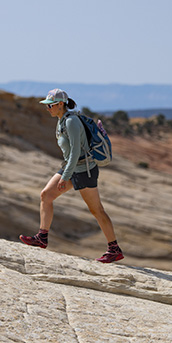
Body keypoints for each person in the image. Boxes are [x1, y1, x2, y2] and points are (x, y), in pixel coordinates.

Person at [19, 88, 124, 263]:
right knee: (46, 195)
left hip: (84, 170)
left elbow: (75, 151)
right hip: (71, 166)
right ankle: (42, 238)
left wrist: (65, 176)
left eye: (50, 105)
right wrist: (66, 172)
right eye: (47, 105)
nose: (48, 108)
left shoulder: (71, 122)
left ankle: (114, 249)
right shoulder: (61, 120)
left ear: (60, 104)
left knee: (96, 210)